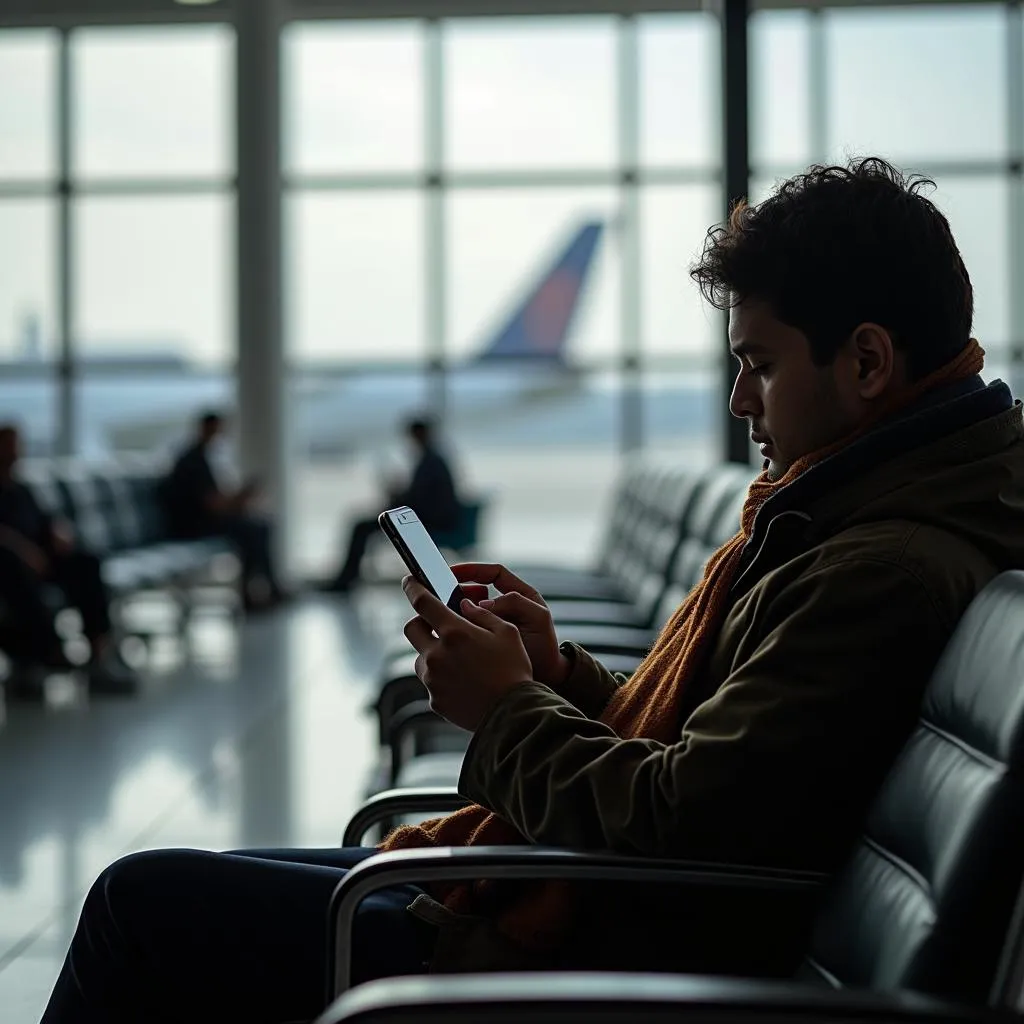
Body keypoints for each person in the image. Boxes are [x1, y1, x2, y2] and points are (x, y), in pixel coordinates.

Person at [41, 157, 1024, 1022]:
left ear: (864, 360)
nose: (738, 402)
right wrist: (555, 669)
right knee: (181, 890)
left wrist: (507, 708)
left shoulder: (877, 565)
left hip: (608, 952)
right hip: (615, 913)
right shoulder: (857, 521)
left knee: (141, 907)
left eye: (758, 367)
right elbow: (724, 770)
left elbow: (676, 822)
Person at [0, 424, 137, 695]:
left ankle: (99, 654)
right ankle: (40, 656)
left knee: (86, 564)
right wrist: (23, 549)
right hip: (10, 563)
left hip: (39, 557)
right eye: (10, 444)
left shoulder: (20, 486)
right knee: (15, 572)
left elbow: (45, 518)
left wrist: (58, 530)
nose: (16, 451)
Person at [163, 411, 287, 612]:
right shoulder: (193, 461)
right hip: (193, 526)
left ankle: (260, 589)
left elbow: (214, 500)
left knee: (257, 525)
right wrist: (239, 499)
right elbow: (211, 504)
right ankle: (260, 590)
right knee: (253, 529)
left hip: (201, 521)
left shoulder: (202, 457)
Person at [322, 416, 460, 593]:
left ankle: (345, 580)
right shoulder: (432, 460)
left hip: (427, 521)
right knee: (363, 525)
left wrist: (396, 496)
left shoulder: (430, 462)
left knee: (361, 527)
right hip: (429, 518)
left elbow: (418, 500)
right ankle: (346, 578)